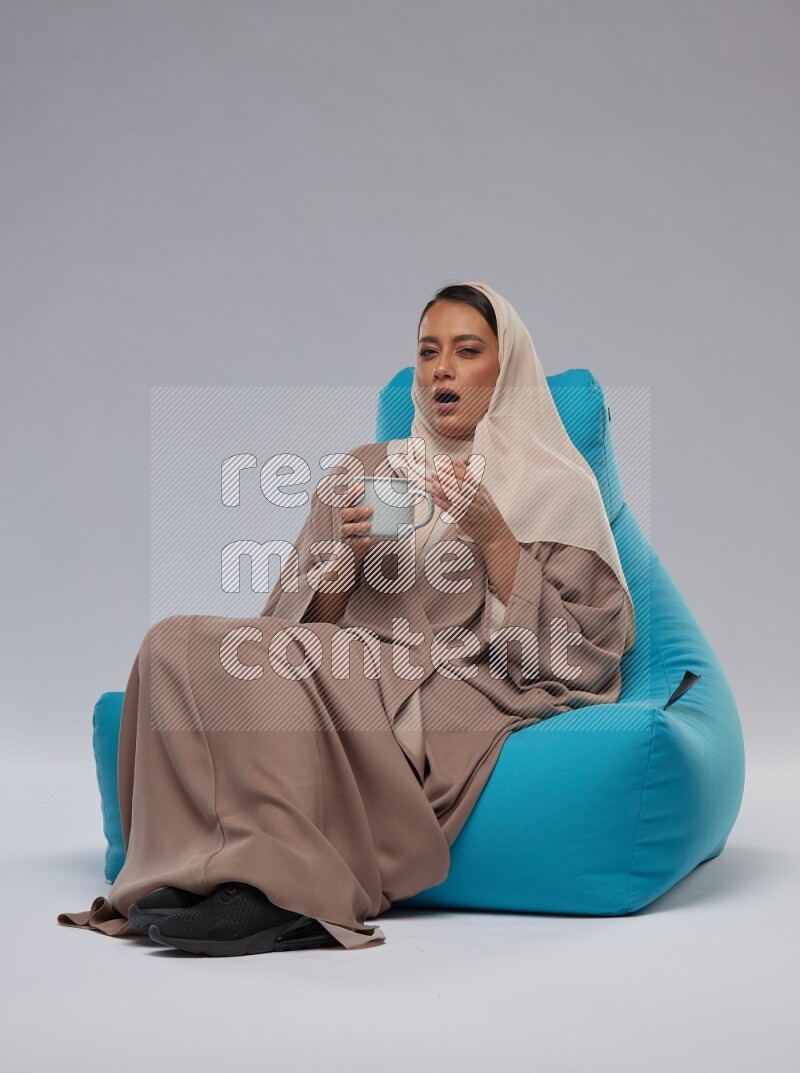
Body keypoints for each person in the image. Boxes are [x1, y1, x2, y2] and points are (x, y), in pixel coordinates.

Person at [57, 281, 635, 957]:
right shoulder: (368, 470)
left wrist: (495, 536)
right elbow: (289, 623)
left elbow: (584, 654)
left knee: (297, 672)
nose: (440, 368)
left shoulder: (553, 484)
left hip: (457, 680)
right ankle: (190, 869)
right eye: (427, 351)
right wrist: (341, 569)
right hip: (353, 657)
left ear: (506, 370)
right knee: (174, 645)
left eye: (466, 350)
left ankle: (281, 891)